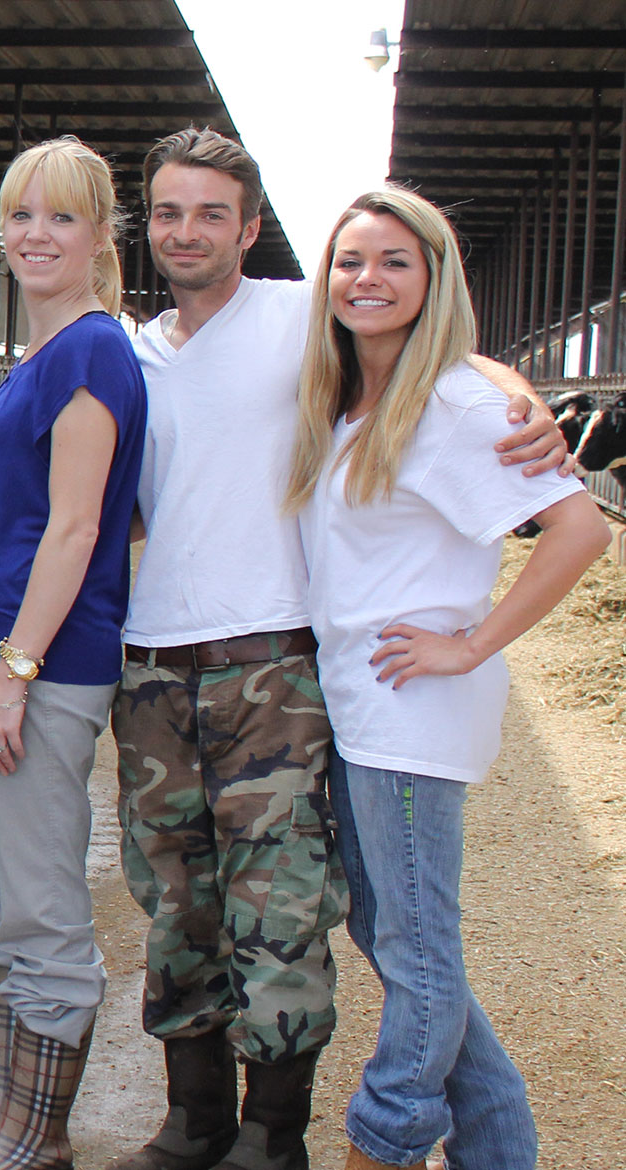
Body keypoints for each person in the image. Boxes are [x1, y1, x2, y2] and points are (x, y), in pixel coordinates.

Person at [108, 128, 570, 1170]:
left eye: (212, 212)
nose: (189, 231)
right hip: (179, 672)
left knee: (302, 914)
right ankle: (206, 1122)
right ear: (148, 229)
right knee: (204, 904)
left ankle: (319, 1137)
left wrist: (517, 393)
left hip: (285, 672)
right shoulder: (132, 350)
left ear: (250, 228)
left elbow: (427, 343)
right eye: (170, 213)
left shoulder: (292, 316)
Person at [285, 188, 606, 1170]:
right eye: (350, 261)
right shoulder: (349, 398)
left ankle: (383, 1141)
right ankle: (500, 1151)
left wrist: (470, 645)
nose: (366, 280)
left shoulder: (458, 406)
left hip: (412, 711)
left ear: (433, 280)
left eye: (393, 262)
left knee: (416, 953)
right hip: (362, 701)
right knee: (395, 933)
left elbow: (580, 529)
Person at [0, 137, 146, 1170]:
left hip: (40, 662)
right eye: (19, 215)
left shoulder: (95, 349)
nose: (35, 236)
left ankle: (35, 1133)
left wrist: (16, 674)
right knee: (5, 892)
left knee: (44, 898)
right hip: (1, 648)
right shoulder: (44, 355)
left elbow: (78, 529)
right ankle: (8, 1117)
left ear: (102, 234)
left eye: (61, 217)